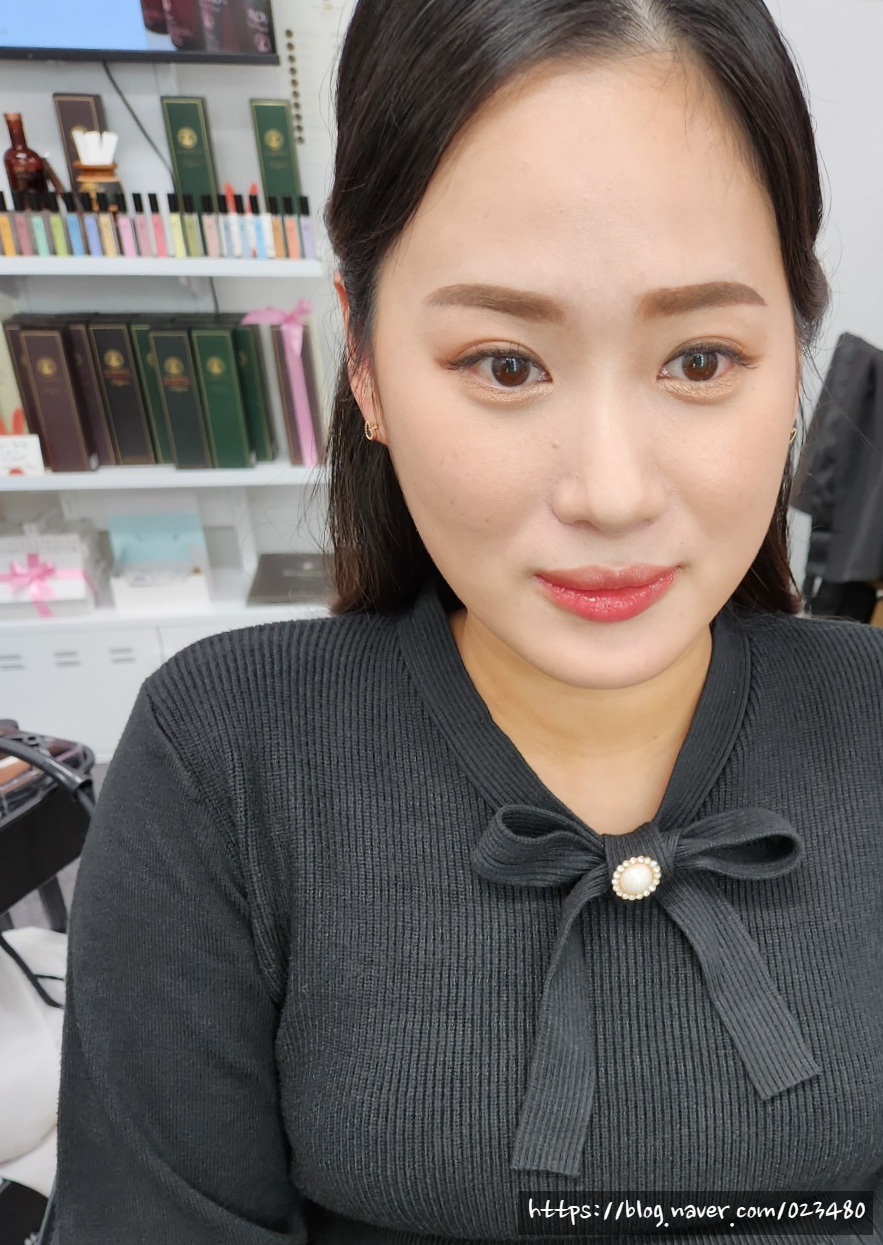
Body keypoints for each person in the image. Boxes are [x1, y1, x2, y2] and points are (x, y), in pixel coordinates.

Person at [51, 0, 883, 1242]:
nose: (610, 492)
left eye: (700, 360)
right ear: (366, 362)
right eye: (505, 364)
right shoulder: (224, 761)